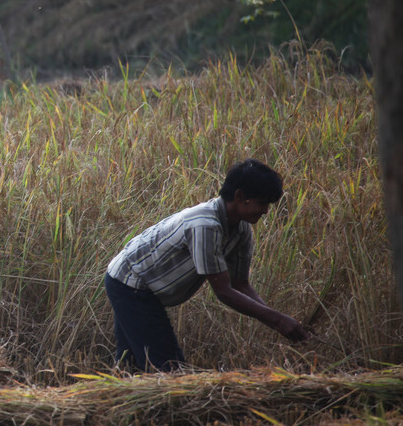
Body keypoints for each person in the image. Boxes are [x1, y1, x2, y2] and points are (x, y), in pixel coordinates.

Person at [104, 159, 309, 371]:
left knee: (132, 366)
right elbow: (224, 292)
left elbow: (240, 285)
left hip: (143, 286)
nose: (266, 211)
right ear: (239, 197)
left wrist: (279, 322)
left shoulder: (240, 230)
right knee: (168, 370)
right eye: (262, 203)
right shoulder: (205, 225)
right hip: (130, 283)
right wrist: (277, 320)